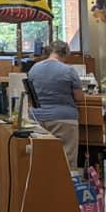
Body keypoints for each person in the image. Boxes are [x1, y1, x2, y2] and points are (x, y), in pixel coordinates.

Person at [27, 40, 83, 168]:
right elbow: (79, 97)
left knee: (41, 161)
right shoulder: (69, 70)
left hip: (37, 119)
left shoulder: (34, 69)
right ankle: (64, 187)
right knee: (66, 160)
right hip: (64, 120)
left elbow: (30, 96)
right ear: (65, 53)